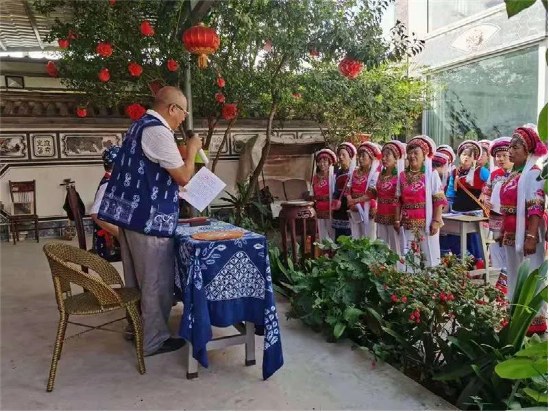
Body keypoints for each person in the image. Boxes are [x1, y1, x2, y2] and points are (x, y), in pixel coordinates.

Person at [98, 86, 203, 356]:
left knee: (136, 281)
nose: (184, 118)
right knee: (155, 282)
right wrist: (192, 149)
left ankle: (135, 329)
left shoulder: (139, 126)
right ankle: (153, 340)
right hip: (149, 220)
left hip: (132, 218)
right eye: (183, 112)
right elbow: (183, 177)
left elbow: (155, 165)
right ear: (172, 109)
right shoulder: (158, 131)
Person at [500, 125, 547, 335]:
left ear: (527, 151)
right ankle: (515, 319)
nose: (510, 151)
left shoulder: (534, 174)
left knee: (530, 278)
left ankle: (533, 325)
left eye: (516, 147)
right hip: (512, 236)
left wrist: (530, 236)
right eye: (510, 147)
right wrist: (503, 231)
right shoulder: (513, 174)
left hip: (528, 237)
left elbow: (536, 207)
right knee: (514, 276)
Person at [395, 135, 447, 268]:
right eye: (410, 153)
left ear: (424, 155)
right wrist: (396, 220)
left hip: (427, 222)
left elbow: (438, 199)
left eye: (416, 153)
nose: (412, 156)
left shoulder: (431, 174)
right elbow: (398, 200)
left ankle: (431, 280)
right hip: (408, 222)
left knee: (430, 258)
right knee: (410, 259)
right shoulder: (402, 176)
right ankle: (410, 280)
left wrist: (436, 221)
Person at [482, 137, 513, 291]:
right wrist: (486, 200)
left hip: (511, 219)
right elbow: (485, 193)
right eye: (498, 156)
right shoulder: (494, 174)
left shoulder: (518, 174)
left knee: (510, 248)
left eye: (504, 155)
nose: (500, 159)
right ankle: (501, 281)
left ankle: (507, 281)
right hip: (495, 218)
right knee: (497, 248)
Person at [90, 145, 121, 261]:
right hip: (109, 246)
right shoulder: (108, 185)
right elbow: (96, 214)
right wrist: (120, 234)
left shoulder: (113, 181)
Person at [375, 140, 406, 254]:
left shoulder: (400, 176)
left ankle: (398, 266)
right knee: (381, 248)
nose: (384, 159)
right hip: (380, 214)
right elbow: (376, 193)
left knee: (395, 248)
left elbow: (402, 198)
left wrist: (398, 218)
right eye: (383, 156)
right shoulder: (380, 175)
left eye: (387, 155)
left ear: (396, 158)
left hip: (394, 216)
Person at [347, 141, 381, 240]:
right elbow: (348, 189)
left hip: (368, 208)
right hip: (353, 208)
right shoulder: (354, 172)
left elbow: (371, 194)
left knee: (369, 239)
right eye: (359, 156)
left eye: (363, 156)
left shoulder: (375, 173)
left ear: (371, 158)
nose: (360, 159)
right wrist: (350, 201)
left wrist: (354, 201)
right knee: (355, 238)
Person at [332, 142, 357, 239]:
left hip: (349, 205)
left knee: (350, 234)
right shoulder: (338, 172)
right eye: (339, 155)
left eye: (344, 155)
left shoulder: (355, 172)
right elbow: (335, 189)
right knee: (339, 235)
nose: (341, 157)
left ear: (350, 157)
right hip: (339, 207)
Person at [312, 148, 337, 241]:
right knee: (322, 233)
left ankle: (332, 249)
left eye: (325, 161)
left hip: (330, 208)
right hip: (319, 208)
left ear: (329, 162)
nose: (322, 164)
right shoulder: (315, 177)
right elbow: (313, 192)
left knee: (332, 233)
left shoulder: (333, 176)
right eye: (320, 161)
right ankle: (324, 249)